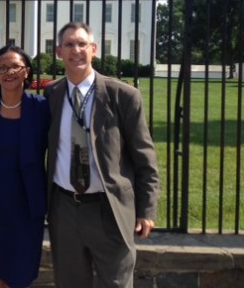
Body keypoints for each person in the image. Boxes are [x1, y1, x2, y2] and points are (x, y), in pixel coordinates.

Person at [44, 22, 160, 288]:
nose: (76, 50)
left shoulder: (123, 96)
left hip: (109, 209)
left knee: (117, 284)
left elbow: (146, 159)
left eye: (82, 44)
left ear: (93, 49)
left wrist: (147, 209)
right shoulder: (52, 94)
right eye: (69, 44)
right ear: (59, 52)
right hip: (64, 209)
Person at [0, 45, 50, 288]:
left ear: (27, 71)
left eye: (15, 66)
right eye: (2, 68)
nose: (9, 72)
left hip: (26, 203)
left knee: (21, 270)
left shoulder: (41, 109)